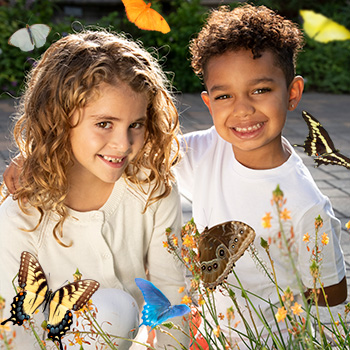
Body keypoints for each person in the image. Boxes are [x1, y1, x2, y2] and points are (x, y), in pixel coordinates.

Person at [0, 30, 188, 350]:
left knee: (116, 309)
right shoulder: (23, 211)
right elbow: (15, 328)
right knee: (113, 308)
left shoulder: (152, 189)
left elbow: (169, 295)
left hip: (125, 340)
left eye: (136, 125)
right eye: (104, 124)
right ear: (59, 119)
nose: (123, 144)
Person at [173, 4, 347, 348]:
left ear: (292, 94)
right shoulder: (208, 150)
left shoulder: (306, 207)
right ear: (209, 105)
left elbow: (331, 300)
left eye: (260, 90)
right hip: (212, 337)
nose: (242, 109)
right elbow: (143, 154)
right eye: (225, 96)